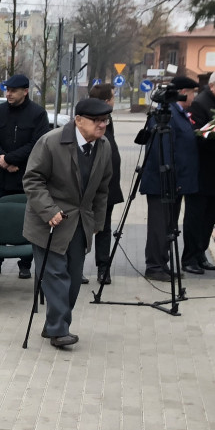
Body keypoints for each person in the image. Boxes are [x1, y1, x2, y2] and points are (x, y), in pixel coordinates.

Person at [23, 98, 113, 348]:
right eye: (97, 121)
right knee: (55, 276)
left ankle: (54, 323)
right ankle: (59, 330)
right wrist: (48, 209)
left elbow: (103, 188)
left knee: (73, 279)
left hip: (80, 223)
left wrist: (97, 221)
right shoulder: (51, 142)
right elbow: (32, 180)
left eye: (105, 120)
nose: (102, 125)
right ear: (79, 120)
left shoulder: (103, 146)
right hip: (48, 223)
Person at [0, 74, 50, 278]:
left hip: (26, 177)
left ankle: (25, 263)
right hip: (3, 177)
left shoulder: (37, 114)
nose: (9, 94)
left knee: (28, 220)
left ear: (25, 91)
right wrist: (2, 160)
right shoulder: (0, 111)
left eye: (13, 91)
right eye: (7, 90)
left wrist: (11, 159)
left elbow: (37, 144)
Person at [139, 76, 200, 282]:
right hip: (162, 182)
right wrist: (169, 178)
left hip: (175, 182)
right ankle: (154, 265)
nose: (194, 96)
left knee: (168, 226)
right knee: (159, 226)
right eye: (193, 92)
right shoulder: (167, 114)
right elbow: (162, 148)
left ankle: (162, 263)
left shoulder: (179, 113)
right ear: (183, 92)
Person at [183, 69, 215, 274]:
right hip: (201, 172)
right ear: (212, 86)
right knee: (196, 217)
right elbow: (200, 138)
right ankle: (188, 257)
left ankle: (201, 253)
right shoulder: (200, 105)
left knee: (210, 217)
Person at [88, 83, 124, 285]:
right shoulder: (89, 121)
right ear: (104, 101)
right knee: (80, 227)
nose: (114, 100)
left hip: (107, 185)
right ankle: (75, 266)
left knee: (103, 226)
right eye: (112, 97)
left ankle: (103, 267)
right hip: (88, 183)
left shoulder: (108, 121)